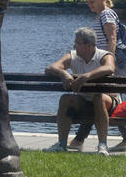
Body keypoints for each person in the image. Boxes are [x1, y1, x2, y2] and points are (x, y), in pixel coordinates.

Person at [69, 0, 126, 152]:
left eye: (92, 1)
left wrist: (108, 64)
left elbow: (112, 38)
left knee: (106, 98)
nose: (90, 5)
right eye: (88, 2)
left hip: (112, 64)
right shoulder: (102, 15)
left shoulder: (106, 14)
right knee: (100, 98)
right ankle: (80, 139)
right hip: (108, 63)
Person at [43, 27, 117, 156]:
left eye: (77, 43)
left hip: (108, 102)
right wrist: (63, 74)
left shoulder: (104, 55)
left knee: (98, 97)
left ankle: (102, 146)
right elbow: (51, 67)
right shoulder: (73, 56)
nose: (74, 46)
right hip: (84, 101)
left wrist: (86, 76)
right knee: (65, 99)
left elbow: (109, 68)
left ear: (88, 45)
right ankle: (61, 144)